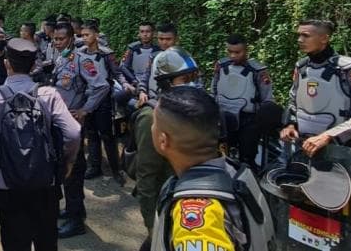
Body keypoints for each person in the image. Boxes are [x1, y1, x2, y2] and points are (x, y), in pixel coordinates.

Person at [0, 38, 82, 251]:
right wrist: (66, 164)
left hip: (8, 187)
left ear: (6, 63)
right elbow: (74, 132)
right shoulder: (49, 95)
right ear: (34, 65)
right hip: (45, 185)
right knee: (46, 243)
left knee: (15, 244)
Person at [151, 87, 275, 251]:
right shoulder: (234, 172)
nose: (151, 127)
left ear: (163, 140)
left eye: (154, 123)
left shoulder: (196, 216)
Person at [132, 41, 200, 250]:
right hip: (167, 207)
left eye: (194, 78)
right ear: (167, 83)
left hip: (190, 205)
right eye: (185, 79)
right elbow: (146, 176)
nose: (192, 84)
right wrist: (153, 227)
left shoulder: (193, 111)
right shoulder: (152, 118)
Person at [51, 22, 109, 238]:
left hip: (72, 124)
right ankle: (75, 209)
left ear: (71, 39)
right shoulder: (61, 59)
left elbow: (102, 86)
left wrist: (85, 110)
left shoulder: (82, 61)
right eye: (55, 39)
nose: (57, 42)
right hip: (60, 123)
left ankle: (76, 221)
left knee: (73, 169)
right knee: (66, 168)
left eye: (61, 39)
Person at [280, 19, 351, 156]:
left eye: (306, 35)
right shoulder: (301, 67)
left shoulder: (350, 69)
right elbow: (293, 101)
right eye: (299, 35)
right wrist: (290, 125)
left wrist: (328, 136)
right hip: (302, 145)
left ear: (324, 38)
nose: (300, 40)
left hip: (340, 148)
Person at [211, 34, 275, 167]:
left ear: (246, 51)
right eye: (230, 52)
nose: (233, 56)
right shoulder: (221, 66)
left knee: (247, 158)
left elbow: (267, 98)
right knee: (221, 156)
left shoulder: (258, 70)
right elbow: (214, 89)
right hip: (223, 118)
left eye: (237, 52)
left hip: (249, 120)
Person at [79, 22, 130, 185]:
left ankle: (116, 170)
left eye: (87, 35)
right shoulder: (79, 53)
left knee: (107, 134)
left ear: (96, 35)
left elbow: (116, 72)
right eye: (82, 35)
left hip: (104, 98)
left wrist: (125, 84)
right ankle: (95, 167)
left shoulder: (107, 54)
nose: (84, 38)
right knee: (91, 132)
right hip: (87, 97)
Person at [120, 23, 159, 110]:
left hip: (152, 84)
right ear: (139, 33)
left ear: (153, 33)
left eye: (148, 31)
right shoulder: (133, 48)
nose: (145, 34)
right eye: (142, 31)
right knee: (120, 98)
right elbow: (123, 67)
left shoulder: (158, 50)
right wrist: (132, 81)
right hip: (135, 83)